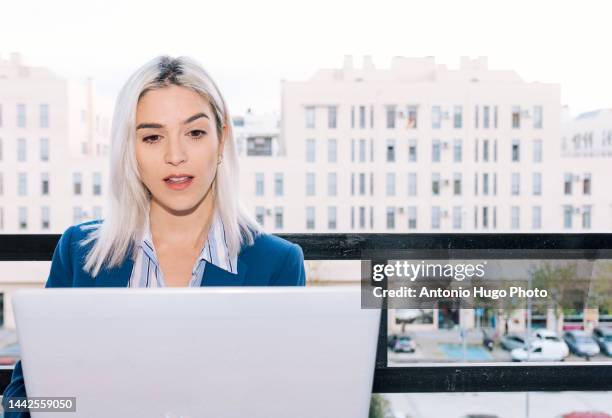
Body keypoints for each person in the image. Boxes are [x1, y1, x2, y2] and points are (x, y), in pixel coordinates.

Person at [3, 56, 305, 417]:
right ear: (130, 150)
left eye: (194, 133)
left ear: (221, 140)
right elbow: (24, 395)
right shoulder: (79, 252)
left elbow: (287, 399)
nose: (175, 155)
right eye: (152, 136)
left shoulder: (277, 264)